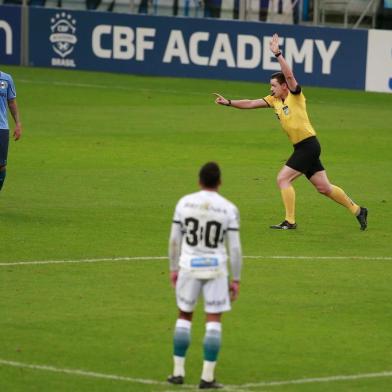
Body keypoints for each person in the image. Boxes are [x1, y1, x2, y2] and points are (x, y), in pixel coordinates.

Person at [213, 33, 367, 231]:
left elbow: (290, 75)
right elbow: (251, 103)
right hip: (303, 147)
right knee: (324, 188)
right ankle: (358, 210)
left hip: (308, 146)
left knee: (283, 179)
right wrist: (229, 103)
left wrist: (278, 54)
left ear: (284, 86)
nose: (271, 89)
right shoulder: (274, 100)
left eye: (274, 86)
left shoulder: (295, 95)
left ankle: (290, 221)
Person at [167, 162, 242, 389]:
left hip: (188, 267)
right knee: (213, 320)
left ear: (199, 181)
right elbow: (236, 249)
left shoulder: (184, 203)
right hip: (216, 269)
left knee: (184, 315)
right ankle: (207, 378)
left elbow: (174, 241)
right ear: (219, 182)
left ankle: (177, 373)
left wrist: (173, 268)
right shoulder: (228, 208)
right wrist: (236, 279)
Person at [0, 70, 22, 194]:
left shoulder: (6, 79)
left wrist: (18, 123)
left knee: (1, 165)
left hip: (1, 128)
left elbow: (12, 102)